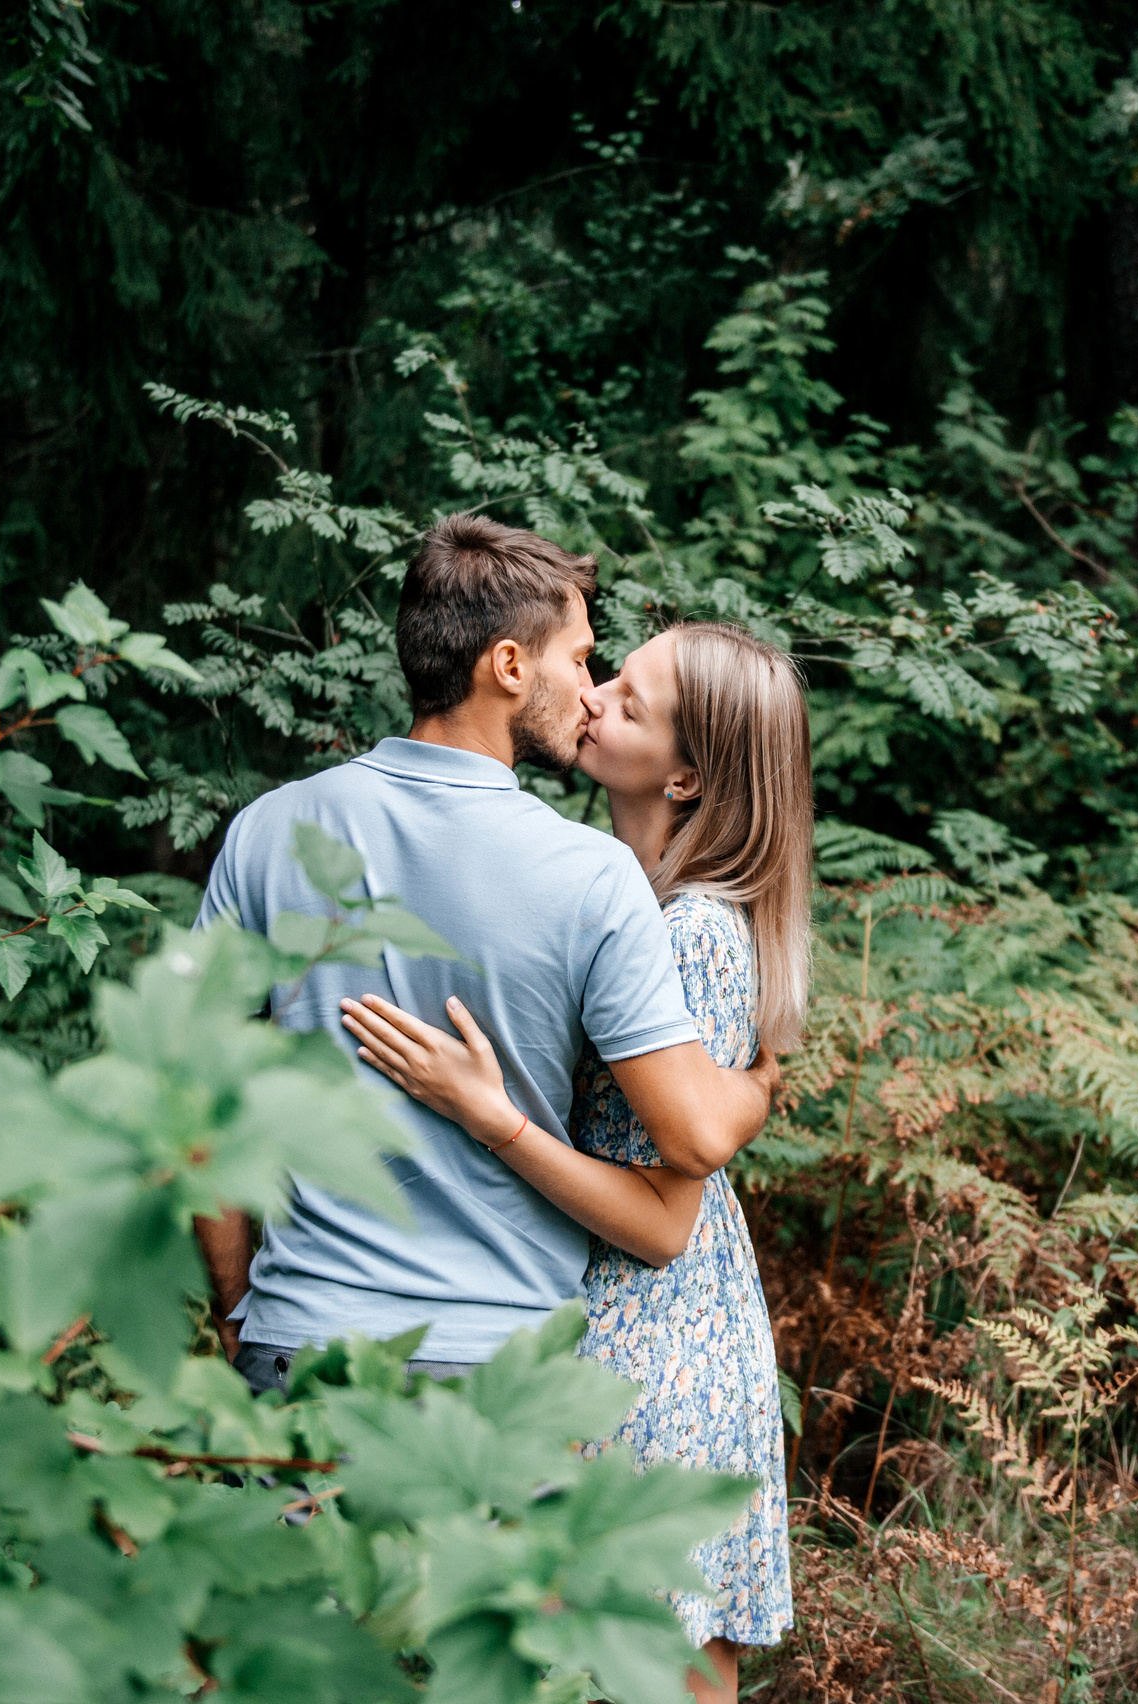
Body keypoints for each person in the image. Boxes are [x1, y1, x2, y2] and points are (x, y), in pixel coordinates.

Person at [191, 514, 778, 1392]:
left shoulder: (267, 832)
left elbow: (199, 1105)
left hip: (296, 1341)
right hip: (492, 1379)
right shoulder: (593, 876)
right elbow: (691, 1139)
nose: (590, 691)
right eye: (580, 660)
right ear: (508, 666)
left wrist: (239, 1303)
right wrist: (757, 1086)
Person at [338, 621, 807, 1704]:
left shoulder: (689, 932)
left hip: (661, 1334)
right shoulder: (620, 895)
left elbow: (660, 1220)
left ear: (685, 775)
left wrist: (490, 1116)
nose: (589, 698)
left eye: (629, 703)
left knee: (663, 1668)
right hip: (616, 1320)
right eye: (606, 673)